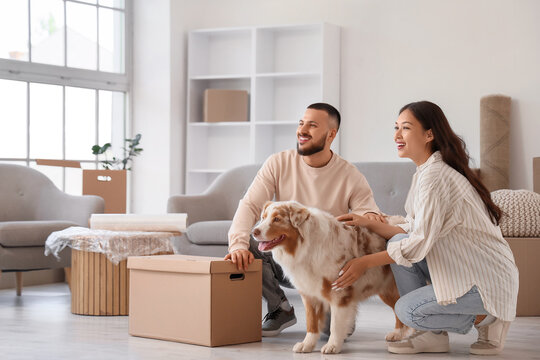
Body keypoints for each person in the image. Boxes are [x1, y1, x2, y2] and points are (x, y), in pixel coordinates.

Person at [334, 101, 518, 355]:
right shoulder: (425, 171)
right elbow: (412, 229)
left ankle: (487, 319)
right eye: (396, 128)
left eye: (406, 128)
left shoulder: (436, 176)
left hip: (486, 282)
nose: (397, 135)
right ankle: (431, 336)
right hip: (464, 272)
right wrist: (368, 222)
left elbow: (419, 242)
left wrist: (365, 262)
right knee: (397, 243)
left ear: (429, 134)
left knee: (406, 310)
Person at [225, 102, 385, 337]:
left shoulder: (350, 175)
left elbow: (370, 217)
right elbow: (250, 205)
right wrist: (237, 243)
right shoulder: (278, 163)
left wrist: (366, 219)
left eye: (312, 125)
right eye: (301, 123)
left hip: (327, 272)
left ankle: (334, 311)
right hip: (287, 261)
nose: (302, 130)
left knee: (332, 331)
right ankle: (280, 308)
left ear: (331, 134)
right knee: (246, 243)